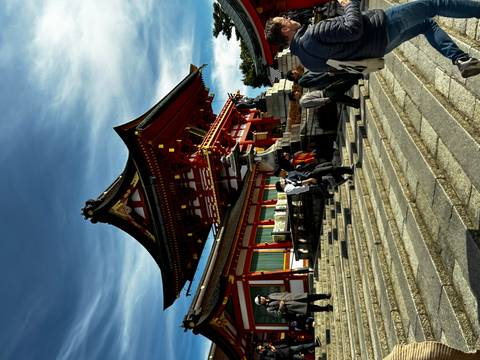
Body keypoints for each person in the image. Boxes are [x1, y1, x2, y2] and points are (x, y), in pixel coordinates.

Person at [265, 0, 480, 78]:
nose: (287, 18)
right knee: (434, 4)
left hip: (377, 49)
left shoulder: (307, 61)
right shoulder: (313, 33)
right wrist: (349, 5)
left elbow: (337, 68)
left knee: (425, 24)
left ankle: (461, 59)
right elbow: (353, 29)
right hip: (380, 28)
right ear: (284, 31)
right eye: (282, 20)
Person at [255, 292, 333, 319]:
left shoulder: (270, 295)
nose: (261, 299)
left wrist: (286, 294)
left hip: (294, 297)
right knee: (310, 308)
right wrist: (281, 306)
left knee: (311, 296)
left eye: (260, 297)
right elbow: (279, 315)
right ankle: (326, 308)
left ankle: (325, 296)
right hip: (292, 306)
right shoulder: (268, 309)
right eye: (260, 300)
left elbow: (281, 294)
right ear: (261, 303)